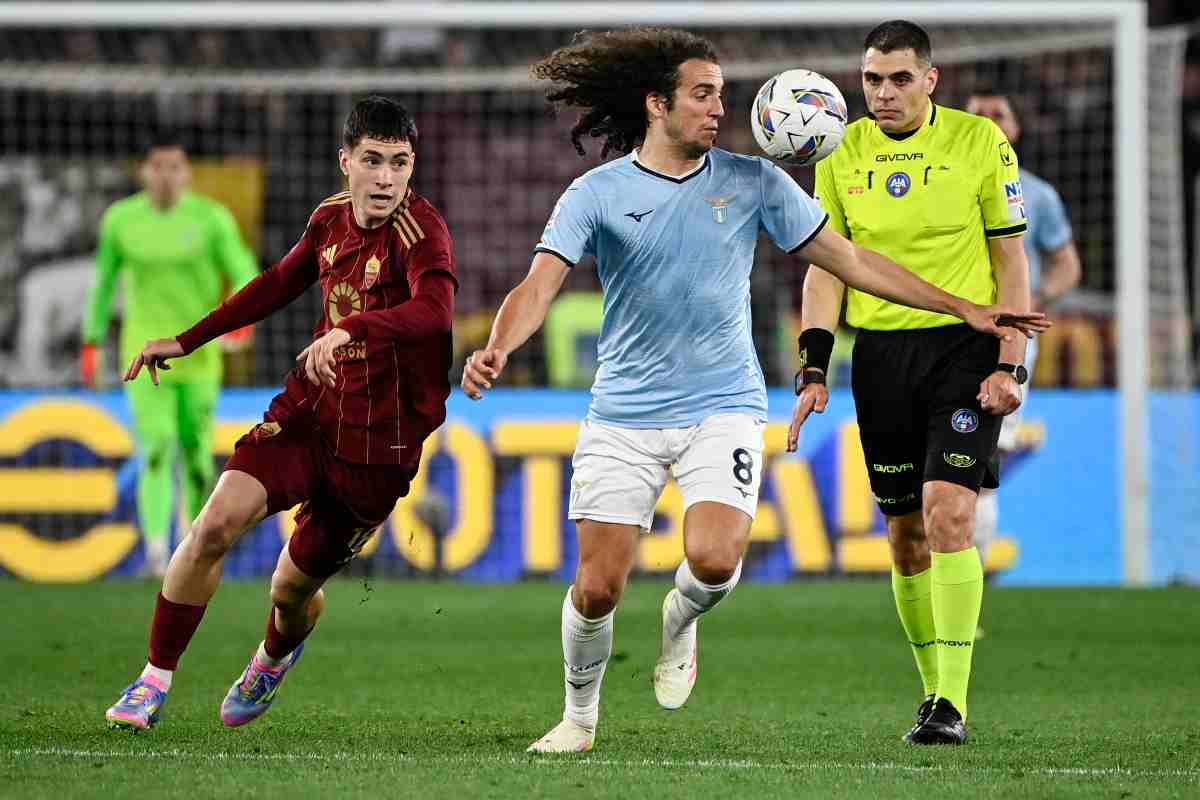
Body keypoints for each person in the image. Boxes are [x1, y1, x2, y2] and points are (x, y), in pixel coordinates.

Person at [461, 27, 1047, 754]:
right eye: (703, 95)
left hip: (724, 404)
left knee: (713, 560)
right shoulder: (596, 193)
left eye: (722, 94)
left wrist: (965, 309)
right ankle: (579, 718)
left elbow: (849, 261)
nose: (719, 109)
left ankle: (681, 620)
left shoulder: (754, 180)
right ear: (657, 105)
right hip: (623, 412)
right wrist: (495, 348)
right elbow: (539, 284)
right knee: (598, 588)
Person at [103, 96, 457, 731]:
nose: (385, 178)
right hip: (310, 410)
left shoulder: (422, 232)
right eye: (372, 161)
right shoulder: (328, 220)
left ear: (412, 166)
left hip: (379, 447)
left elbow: (434, 312)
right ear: (345, 161)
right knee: (214, 523)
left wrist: (351, 331)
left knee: (290, 591)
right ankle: (151, 680)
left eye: (399, 163)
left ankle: (271, 657)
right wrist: (185, 340)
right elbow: (277, 282)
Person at [791, 21, 1037, 746]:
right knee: (903, 538)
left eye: (899, 78)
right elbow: (825, 266)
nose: (884, 93)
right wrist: (814, 366)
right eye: (872, 80)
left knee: (948, 515)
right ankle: (932, 692)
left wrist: (1009, 362)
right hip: (880, 356)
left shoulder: (979, 142)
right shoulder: (840, 152)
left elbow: (1011, 261)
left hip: (966, 348)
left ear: (931, 79)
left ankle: (953, 707)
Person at [81, 131, 259, 577]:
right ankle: (158, 553)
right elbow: (102, 285)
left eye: (174, 167)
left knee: (197, 457)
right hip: (142, 357)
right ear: (143, 171)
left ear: (187, 174)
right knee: (157, 448)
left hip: (197, 357)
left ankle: (194, 550)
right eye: (157, 167)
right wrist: (91, 340)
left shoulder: (210, 219)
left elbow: (243, 270)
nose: (165, 176)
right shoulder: (120, 221)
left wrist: (243, 318)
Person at [965, 88, 1082, 572]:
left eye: (1000, 114)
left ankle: (973, 586)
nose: (991, 122)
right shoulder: (938, 184)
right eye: (979, 115)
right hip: (939, 334)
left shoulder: (1037, 195)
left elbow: (1067, 264)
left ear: (1015, 128)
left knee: (983, 465)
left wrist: (1030, 304)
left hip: (1006, 345)